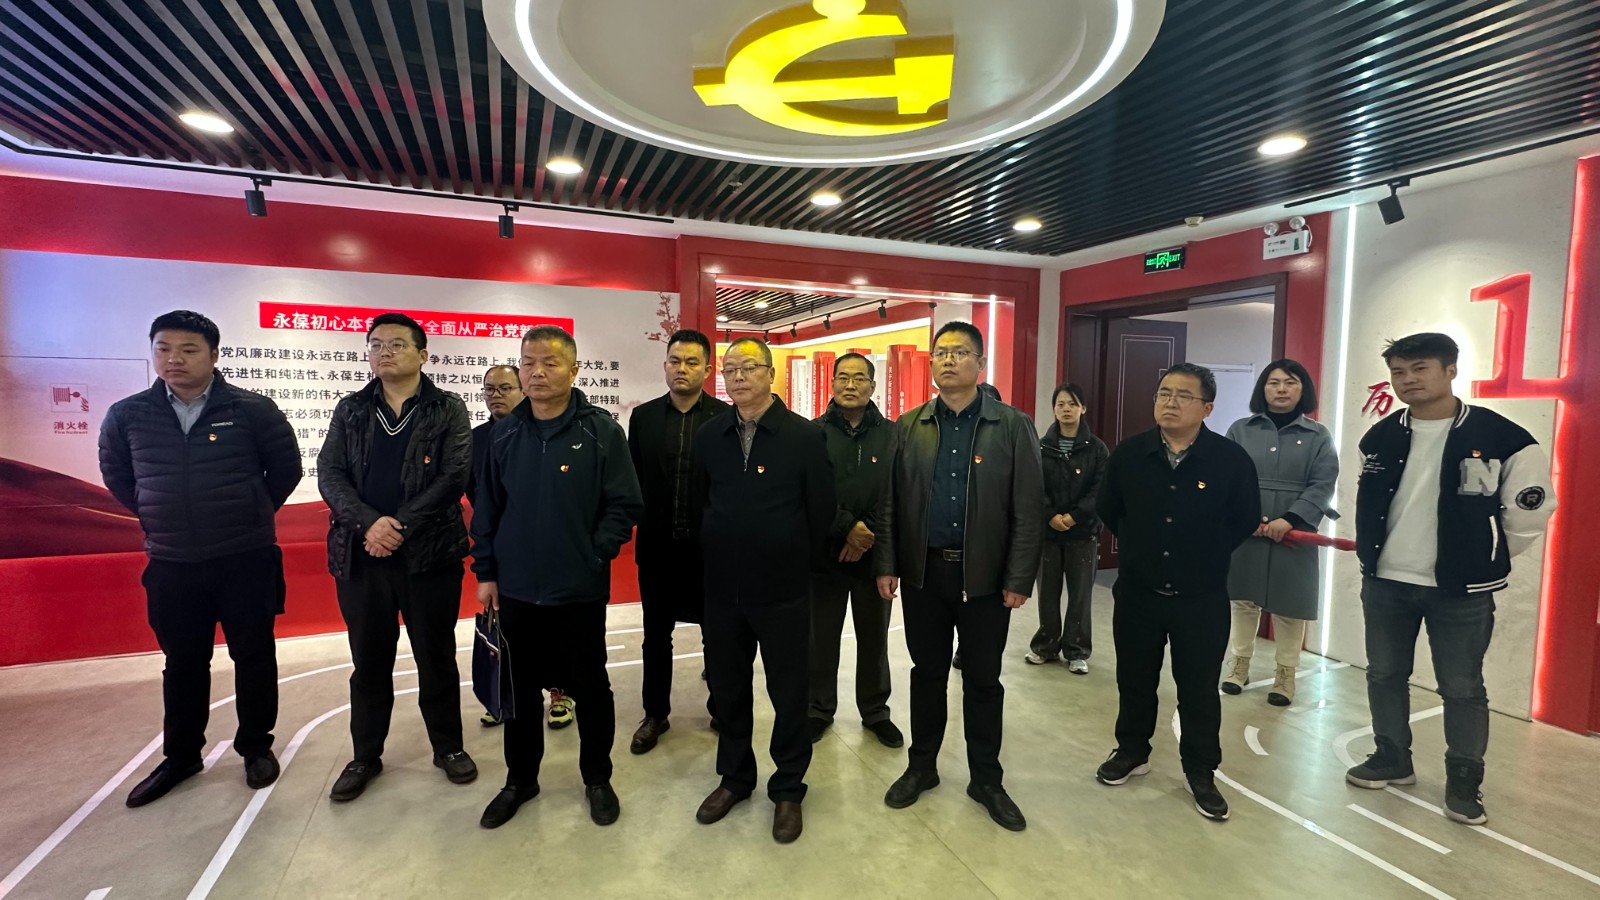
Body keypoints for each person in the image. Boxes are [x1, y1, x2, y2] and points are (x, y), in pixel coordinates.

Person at [1345, 333, 1554, 826]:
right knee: (1383, 674)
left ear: (1450, 370)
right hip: (1386, 581)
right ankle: (1392, 757)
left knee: (1461, 687)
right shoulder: (1380, 437)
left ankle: (1463, 778)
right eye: (1398, 372)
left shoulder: (1504, 438)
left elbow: (1529, 512)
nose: (1408, 380)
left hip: (1461, 591)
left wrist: (1481, 557)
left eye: (1420, 368)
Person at [99, 310, 301, 808]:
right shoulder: (128, 415)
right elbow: (118, 476)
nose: (174, 359)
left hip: (245, 557)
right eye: (164, 349)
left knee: (254, 656)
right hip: (172, 562)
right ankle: (182, 755)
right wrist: (158, 513)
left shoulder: (252, 409)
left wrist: (249, 512)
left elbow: (286, 470)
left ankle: (256, 747)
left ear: (213, 354)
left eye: (188, 350)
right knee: (183, 663)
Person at [471, 326, 644, 829]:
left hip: (578, 589)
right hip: (516, 590)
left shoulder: (600, 431)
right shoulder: (504, 433)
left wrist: (594, 553)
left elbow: (624, 503)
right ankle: (520, 780)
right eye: (528, 363)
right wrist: (486, 571)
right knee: (519, 690)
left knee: (590, 687)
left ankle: (597, 779)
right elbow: (487, 509)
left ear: (573, 369)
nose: (537, 373)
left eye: (550, 362)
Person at [876, 322, 1043, 833]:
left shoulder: (1011, 426)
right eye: (941, 352)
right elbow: (890, 503)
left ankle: (986, 779)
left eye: (960, 352)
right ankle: (922, 766)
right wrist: (887, 563)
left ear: (980, 364)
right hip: (924, 574)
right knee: (926, 674)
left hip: (986, 580)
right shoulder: (910, 426)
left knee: (983, 681)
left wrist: (1019, 577)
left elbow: (1028, 507)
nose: (948, 360)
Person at [318, 312, 477, 802]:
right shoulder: (351, 409)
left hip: (429, 557)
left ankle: (448, 747)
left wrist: (399, 526)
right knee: (368, 662)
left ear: (423, 355)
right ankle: (365, 756)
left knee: (436, 657)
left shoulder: (447, 409)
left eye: (396, 344)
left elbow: (453, 477)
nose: (384, 352)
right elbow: (330, 473)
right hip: (362, 556)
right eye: (376, 344)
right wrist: (370, 524)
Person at [1094, 363, 1259, 822]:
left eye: (1183, 395)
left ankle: (1200, 770)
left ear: (1207, 407)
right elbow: (1110, 509)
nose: (1170, 402)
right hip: (1138, 594)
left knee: (1199, 688)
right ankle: (1132, 751)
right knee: (1134, 679)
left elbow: (1244, 518)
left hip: (1200, 598)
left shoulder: (1230, 460)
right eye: (1164, 393)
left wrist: (1201, 553)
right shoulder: (1130, 454)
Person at [692, 337, 834, 844]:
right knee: (728, 690)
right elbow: (700, 503)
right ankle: (735, 778)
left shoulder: (803, 436)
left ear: (770, 374)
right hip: (722, 591)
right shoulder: (710, 435)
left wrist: (794, 563)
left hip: (782, 591)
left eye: (748, 367)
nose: (737, 377)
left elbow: (821, 512)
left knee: (789, 692)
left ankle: (789, 787)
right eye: (730, 369)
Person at [626, 330, 728, 754]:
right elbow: (633, 480)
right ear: (665, 365)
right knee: (655, 635)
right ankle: (655, 714)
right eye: (674, 361)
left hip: (711, 551)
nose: (681, 369)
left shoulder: (725, 419)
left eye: (691, 362)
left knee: (717, 634)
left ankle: (722, 708)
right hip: (658, 549)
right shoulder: (643, 417)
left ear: (707, 369)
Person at [1221, 360, 1340, 706]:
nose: (1282, 389)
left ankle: (1285, 675)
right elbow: (1227, 477)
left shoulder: (1318, 435)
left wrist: (1289, 519)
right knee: (1242, 600)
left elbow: (1323, 484)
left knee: (1291, 606)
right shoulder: (1241, 429)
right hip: (1247, 529)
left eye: (1291, 382)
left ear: (1304, 390)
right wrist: (1244, 518)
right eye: (1274, 382)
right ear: (1263, 388)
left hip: (1295, 531)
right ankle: (1238, 664)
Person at [466, 365, 573, 731]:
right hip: (503, 553)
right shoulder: (478, 439)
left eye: (504, 388)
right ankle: (502, 694)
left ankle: (560, 692)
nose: (495, 395)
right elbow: (477, 497)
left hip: (553, 552)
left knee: (554, 630)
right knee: (507, 633)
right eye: (489, 389)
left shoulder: (548, 432)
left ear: (523, 390)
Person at [810, 352, 903, 748]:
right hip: (825, 556)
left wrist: (867, 534)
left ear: (873, 386)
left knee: (874, 638)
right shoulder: (812, 433)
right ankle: (818, 709)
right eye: (843, 377)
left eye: (859, 378)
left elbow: (898, 492)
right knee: (820, 638)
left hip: (875, 557)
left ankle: (875, 711)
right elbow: (811, 493)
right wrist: (847, 528)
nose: (850, 385)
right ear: (832, 384)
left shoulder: (894, 434)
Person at [1027, 382, 1107, 674]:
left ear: (1083, 408)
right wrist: (1050, 516)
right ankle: (1045, 646)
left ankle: (1076, 650)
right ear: (1054, 409)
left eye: (1072, 404)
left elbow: (1100, 490)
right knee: (1047, 594)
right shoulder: (1041, 446)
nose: (1066, 409)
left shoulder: (1096, 449)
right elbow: (1033, 485)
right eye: (1060, 404)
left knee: (1080, 595)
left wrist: (1073, 517)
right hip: (1048, 533)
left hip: (1083, 533)